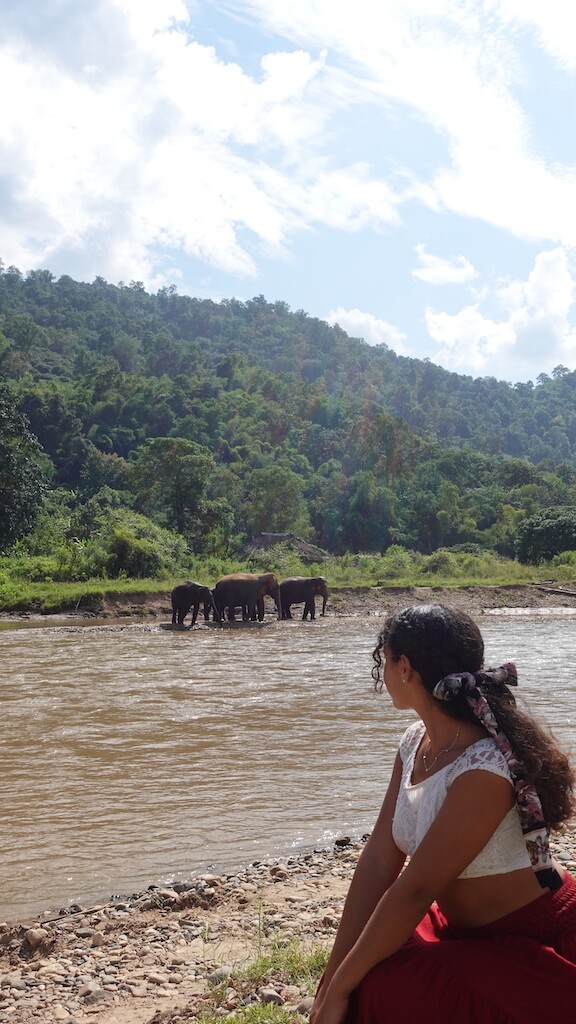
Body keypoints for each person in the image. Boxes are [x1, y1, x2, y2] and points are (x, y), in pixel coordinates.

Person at [311, 604, 576, 1024]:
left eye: (383, 659)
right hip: (459, 933)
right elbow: (381, 856)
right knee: (363, 976)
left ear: (405, 667)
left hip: (533, 936)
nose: (381, 673)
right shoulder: (416, 741)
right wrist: (332, 980)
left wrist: (342, 987)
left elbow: (415, 890)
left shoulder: (484, 768)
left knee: (378, 988)